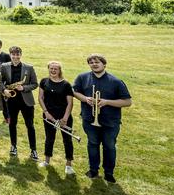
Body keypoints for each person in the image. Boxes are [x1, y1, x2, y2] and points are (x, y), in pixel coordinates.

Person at [73, 54, 132, 183]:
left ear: (104, 64)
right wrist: (85, 98)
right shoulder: (82, 77)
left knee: (109, 146)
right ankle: (93, 170)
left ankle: (109, 172)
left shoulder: (116, 81)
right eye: (91, 62)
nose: (94, 64)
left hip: (110, 121)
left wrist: (106, 102)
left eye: (97, 62)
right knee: (92, 144)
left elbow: (127, 102)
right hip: (89, 119)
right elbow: (74, 91)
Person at [0, 46, 39, 160]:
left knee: (30, 125)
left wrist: (24, 88)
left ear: (20, 55)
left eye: (18, 55)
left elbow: (35, 83)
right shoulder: (4, 66)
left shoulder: (29, 67)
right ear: (10, 55)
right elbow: (0, 81)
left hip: (26, 101)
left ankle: (33, 150)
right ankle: (13, 146)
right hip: (11, 100)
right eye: (13, 55)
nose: (15, 57)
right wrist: (4, 90)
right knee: (12, 124)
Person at [38, 61, 75, 175]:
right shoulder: (44, 81)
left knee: (67, 140)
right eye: (51, 68)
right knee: (49, 138)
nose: (53, 71)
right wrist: (46, 112)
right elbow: (40, 98)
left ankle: (68, 165)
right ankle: (47, 161)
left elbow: (70, 103)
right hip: (49, 115)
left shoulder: (66, 84)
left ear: (60, 70)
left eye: (56, 69)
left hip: (64, 116)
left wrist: (65, 119)